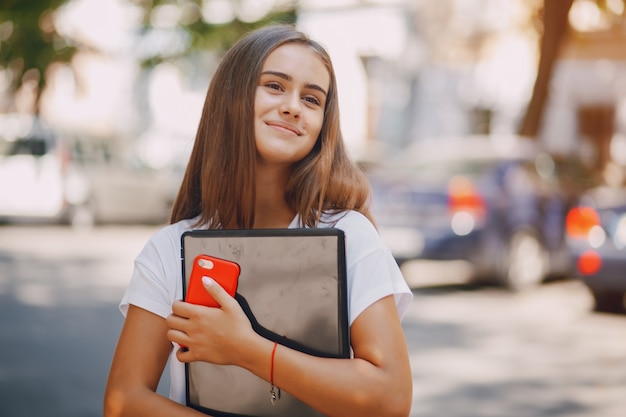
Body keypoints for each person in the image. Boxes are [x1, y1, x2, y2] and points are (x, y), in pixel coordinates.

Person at [104, 24, 413, 417]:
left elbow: (392, 400)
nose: (293, 106)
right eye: (274, 86)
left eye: (312, 99)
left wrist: (247, 349)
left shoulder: (350, 235)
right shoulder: (169, 250)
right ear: (231, 96)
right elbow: (123, 400)